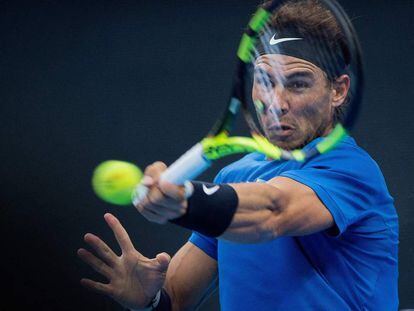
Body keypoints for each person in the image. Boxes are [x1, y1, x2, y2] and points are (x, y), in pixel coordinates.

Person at [78, 1, 398, 310]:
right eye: (265, 80)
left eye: (298, 84)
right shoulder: (235, 176)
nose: (276, 102)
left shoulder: (353, 172)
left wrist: (185, 199)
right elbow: (175, 297)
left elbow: (274, 211)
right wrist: (148, 299)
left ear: (338, 90)